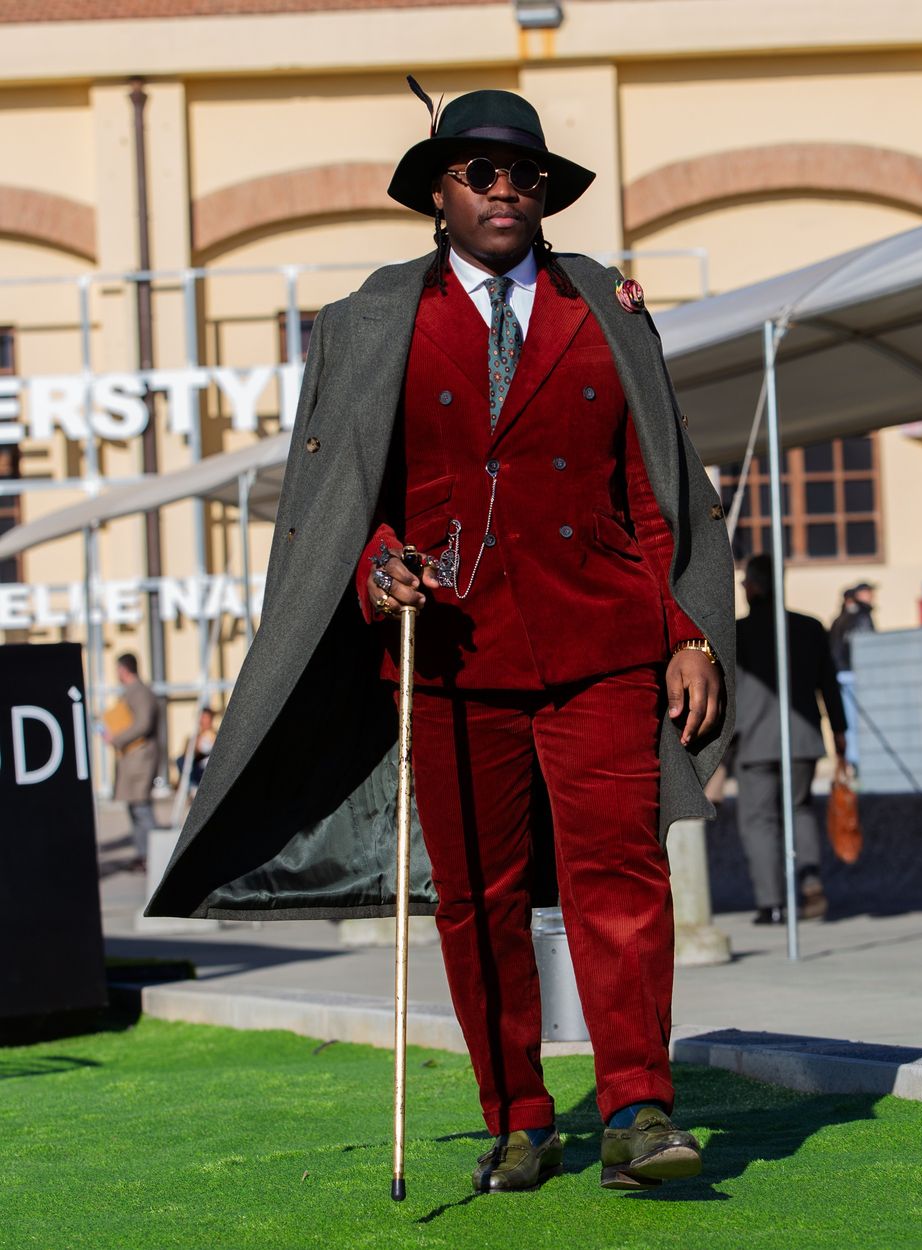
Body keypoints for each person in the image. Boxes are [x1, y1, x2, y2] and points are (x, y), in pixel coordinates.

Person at [147, 85, 735, 1193]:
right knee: (477, 895)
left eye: (525, 175)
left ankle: (638, 1105)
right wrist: (374, 565)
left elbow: (654, 483)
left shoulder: (607, 307)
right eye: (478, 172)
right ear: (437, 194)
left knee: (622, 872)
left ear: (546, 195)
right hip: (451, 653)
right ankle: (517, 1116)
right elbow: (338, 494)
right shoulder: (372, 320)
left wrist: (691, 628)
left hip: (603, 637)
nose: (504, 189)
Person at [734, 554, 847, 924]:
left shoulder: (738, 632)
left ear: (755, 586)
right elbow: (828, 685)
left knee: (759, 820)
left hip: (755, 738)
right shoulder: (809, 627)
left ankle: (773, 903)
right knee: (799, 809)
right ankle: (810, 881)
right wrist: (839, 731)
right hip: (802, 737)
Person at [102, 652, 159, 871]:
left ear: (124, 669)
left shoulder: (139, 692)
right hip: (132, 758)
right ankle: (143, 854)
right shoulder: (131, 692)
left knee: (142, 808)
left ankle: (154, 855)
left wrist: (117, 737)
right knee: (135, 808)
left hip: (140, 758)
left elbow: (143, 723)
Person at [830, 581, 876, 770]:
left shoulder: (838, 619)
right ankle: (856, 762)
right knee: (855, 722)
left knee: (849, 721)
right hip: (853, 674)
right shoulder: (861, 617)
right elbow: (868, 646)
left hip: (842, 674)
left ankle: (852, 760)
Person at [175, 707, 216, 792]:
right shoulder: (195, 737)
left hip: (209, 764)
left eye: (205, 717)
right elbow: (186, 753)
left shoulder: (216, 734)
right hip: (197, 764)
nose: (203, 720)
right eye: (201, 718)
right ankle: (191, 787)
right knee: (181, 760)